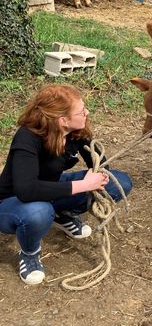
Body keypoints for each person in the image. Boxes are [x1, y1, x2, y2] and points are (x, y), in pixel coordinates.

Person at [0, 84, 133, 284]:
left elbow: (100, 164)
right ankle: (29, 252)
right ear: (63, 120)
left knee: (119, 182)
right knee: (38, 212)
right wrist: (84, 185)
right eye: (81, 111)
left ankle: (62, 214)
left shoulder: (75, 132)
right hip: (12, 201)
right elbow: (26, 190)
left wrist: (97, 174)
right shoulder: (27, 137)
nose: (87, 113)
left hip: (51, 189)